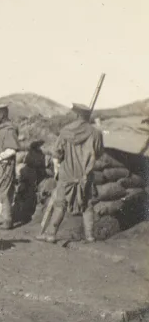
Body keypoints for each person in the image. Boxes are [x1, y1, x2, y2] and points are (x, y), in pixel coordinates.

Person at [37, 103, 104, 243]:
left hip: (67, 174)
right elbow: (98, 153)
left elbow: (57, 153)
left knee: (60, 204)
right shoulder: (96, 133)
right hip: (85, 175)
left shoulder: (65, 131)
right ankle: (90, 236)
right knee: (87, 205)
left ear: (77, 115)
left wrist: (58, 168)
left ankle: (51, 234)